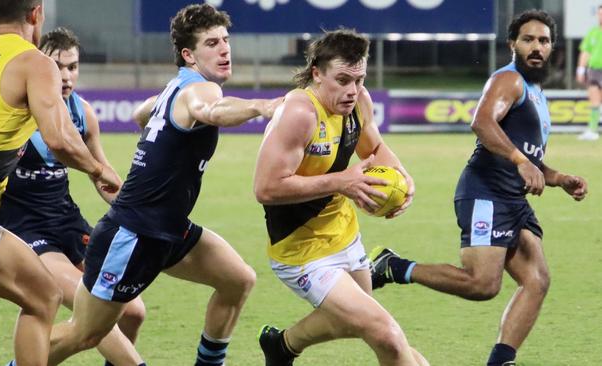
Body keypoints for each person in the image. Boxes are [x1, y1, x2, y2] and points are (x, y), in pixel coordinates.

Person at [46, 4, 281, 366]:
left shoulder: (179, 86)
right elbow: (212, 112)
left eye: (225, 40)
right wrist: (259, 107)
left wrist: (157, 120)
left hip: (169, 230)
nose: (224, 49)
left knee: (238, 280)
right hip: (133, 234)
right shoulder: (201, 90)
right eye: (212, 43)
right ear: (189, 55)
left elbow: (141, 113)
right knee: (85, 333)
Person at [371, 10, 588, 366]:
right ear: (512, 45)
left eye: (544, 41)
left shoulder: (536, 91)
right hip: (485, 192)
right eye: (528, 40)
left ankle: (501, 361)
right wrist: (521, 162)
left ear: (552, 47)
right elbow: (482, 123)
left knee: (536, 279)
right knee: (482, 285)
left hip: (511, 199)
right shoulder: (509, 80)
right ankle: (394, 266)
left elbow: (529, 156)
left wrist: (558, 177)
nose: (537, 47)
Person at [0, 1, 120, 365]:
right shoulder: (34, 62)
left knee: (43, 294)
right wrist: (97, 169)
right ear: (36, 13)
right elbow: (59, 138)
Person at [253, 29, 428, 366]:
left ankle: (282, 346)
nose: (352, 90)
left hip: (345, 235)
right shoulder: (299, 113)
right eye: (343, 80)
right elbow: (266, 188)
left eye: (359, 80)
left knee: (359, 323)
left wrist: (402, 181)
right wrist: (342, 182)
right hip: (300, 251)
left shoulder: (359, 102)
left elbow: (373, 147)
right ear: (317, 73)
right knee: (387, 335)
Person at [0, 27, 146, 366]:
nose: (65, 76)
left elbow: (103, 175)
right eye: (57, 66)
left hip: (66, 220)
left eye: (72, 67)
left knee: (133, 311)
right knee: (89, 309)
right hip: (25, 230)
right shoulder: (15, 113)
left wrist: (138, 212)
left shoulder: (83, 113)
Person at [576, 4, 602, 141]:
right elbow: (585, 52)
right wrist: (580, 69)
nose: (601, 16)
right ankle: (592, 130)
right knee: (594, 98)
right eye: (600, 13)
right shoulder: (593, 32)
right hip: (594, 70)